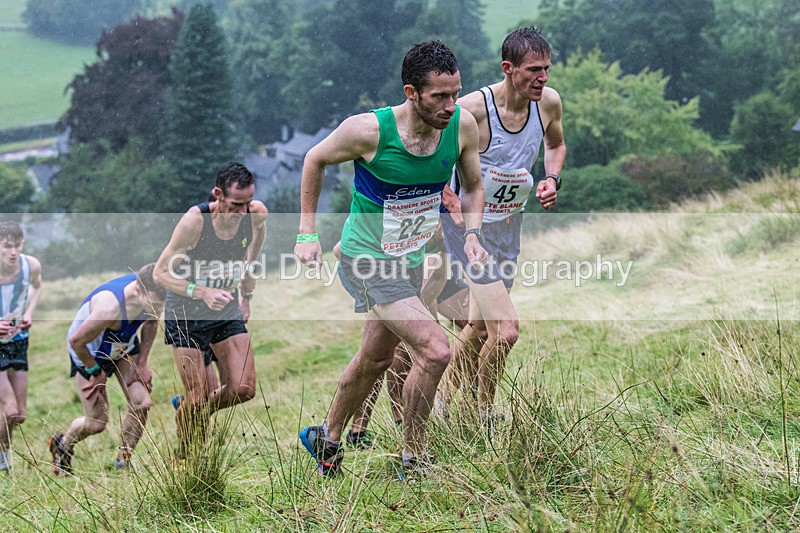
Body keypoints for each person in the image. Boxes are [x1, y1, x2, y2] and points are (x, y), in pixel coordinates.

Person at [295, 40, 488, 477]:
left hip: (411, 260)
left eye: (455, 93)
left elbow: (473, 186)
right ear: (411, 92)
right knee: (437, 350)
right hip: (365, 259)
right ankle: (413, 458)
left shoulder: (461, 127)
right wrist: (307, 233)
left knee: (375, 359)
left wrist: (472, 232)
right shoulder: (369, 132)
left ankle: (324, 438)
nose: (450, 105)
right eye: (439, 96)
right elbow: (314, 158)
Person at [438, 26, 566, 429]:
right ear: (508, 68)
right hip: (468, 231)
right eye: (533, 70)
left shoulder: (548, 104)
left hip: (509, 227)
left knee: (479, 329)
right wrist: (448, 196)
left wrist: (551, 179)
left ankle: (439, 405)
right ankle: (484, 412)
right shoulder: (474, 109)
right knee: (506, 331)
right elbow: (431, 152)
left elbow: (556, 145)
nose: (542, 78)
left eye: (547, 69)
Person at [154, 162, 267, 456]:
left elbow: (250, 260)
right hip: (187, 312)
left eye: (247, 203)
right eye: (235, 204)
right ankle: (186, 454)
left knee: (244, 388)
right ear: (218, 194)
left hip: (225, 306)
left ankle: (197, 411)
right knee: (197, 394)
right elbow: (160, 273)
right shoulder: (195, 222)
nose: (242, 211)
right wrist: (200, 292)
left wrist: (247, 298)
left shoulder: (255, 215)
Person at [48, 263, 164, 475]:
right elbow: (76, 342)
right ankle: (62, 445)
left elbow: (151, 322)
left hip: (123, 347)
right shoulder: (109, 308)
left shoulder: (151, 289)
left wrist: (143, 363)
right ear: (138, 291)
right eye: (155, 304)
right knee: (96, 423)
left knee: (142, 403)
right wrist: (94, 371)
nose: (158, 310)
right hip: (88, 354)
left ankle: (123, 461)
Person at [0, 222, 42, 474]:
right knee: (9, 409)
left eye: (17, 245)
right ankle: (4, 461)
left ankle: (3, 454)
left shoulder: (31, 265)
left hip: (17, 342)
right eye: (7, 247)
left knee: (20, 415)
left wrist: (29, 313)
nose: (13, 252)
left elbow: (37, 287)